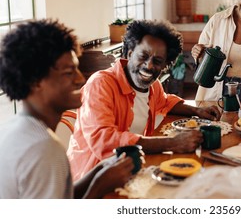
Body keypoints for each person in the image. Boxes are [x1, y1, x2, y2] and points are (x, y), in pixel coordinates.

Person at [67, 19, 221, 181]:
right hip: (93, 179)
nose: (148, 66)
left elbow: (165, 102)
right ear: (130, 53)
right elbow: (103, 140)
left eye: (157, 61)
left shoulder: (152, 87)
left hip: (131, 168)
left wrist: (197, 111)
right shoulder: (100, 84)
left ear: (164, 66)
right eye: (143, 56)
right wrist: (172, 143)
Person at [0, 19, 135, 199]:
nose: (81, 79)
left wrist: (98, 171)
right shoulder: (44, 149)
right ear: (36, 81)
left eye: (77, 69)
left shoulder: (16, 129)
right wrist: (100, 186)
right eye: (69, 72)